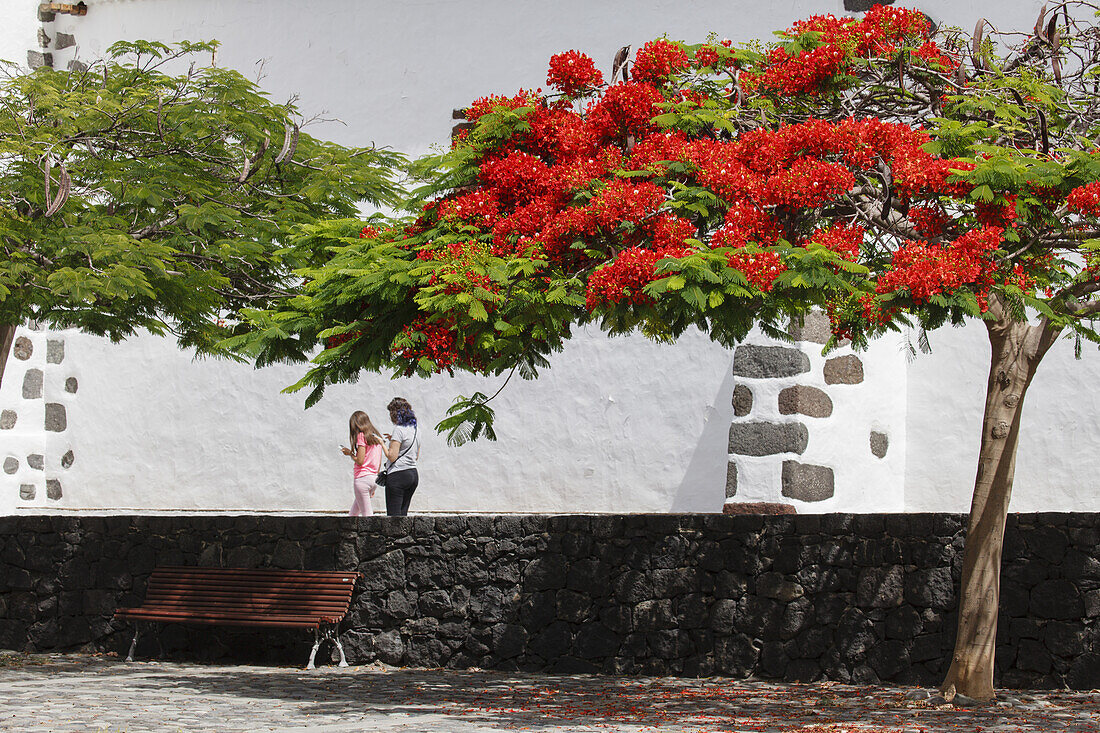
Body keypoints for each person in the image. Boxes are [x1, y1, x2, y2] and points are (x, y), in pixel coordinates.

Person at [381, 397, 420, 516]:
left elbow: (392, 456)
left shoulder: (398, 430)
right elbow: (416, 455)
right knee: (403, 516)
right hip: (412, 474)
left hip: (398, 475)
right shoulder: (416, 429)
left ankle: (394, 535)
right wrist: (393, 439)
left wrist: (381, 443)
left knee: (394, 518)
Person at [342, 411, 384, 516]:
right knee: (353, 513)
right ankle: (348, 531)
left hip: (362, 478)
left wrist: (350, 453)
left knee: (367, 515)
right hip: (374, 478)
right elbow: (378, 462)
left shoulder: (361, 436)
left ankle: (371, 532)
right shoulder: (377, 437)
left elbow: (360, 461)